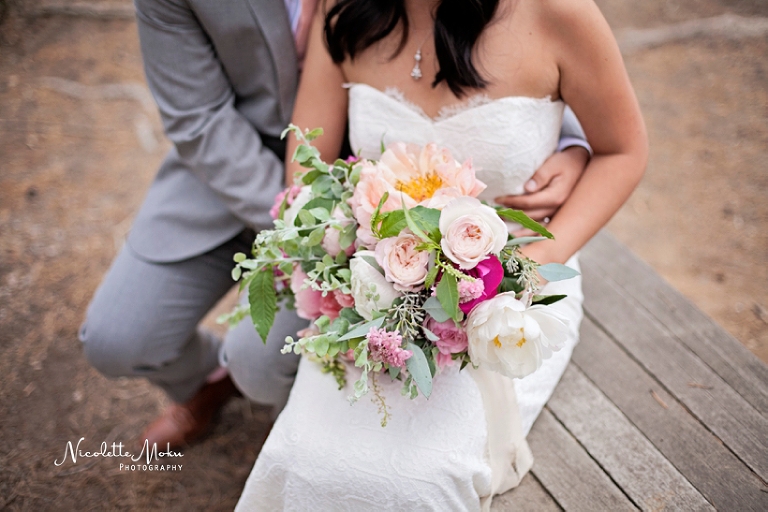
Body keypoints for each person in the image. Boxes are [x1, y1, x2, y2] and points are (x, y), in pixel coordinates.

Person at [77, 0, 590, 451]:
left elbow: (507, 64)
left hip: (413, 177)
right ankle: (209, 383)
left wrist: (571, 142)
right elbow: (198, 120)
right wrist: (316, 225)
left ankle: (295, 414)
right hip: (258, 183)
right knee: (117, 338)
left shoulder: (549, 16)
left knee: (262, 361)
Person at [236, 0, 647, 509]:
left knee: (421, 478)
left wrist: (524, 272)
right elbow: (307, 171)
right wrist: (349, 267)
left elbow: (623, 151)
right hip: (374, 287)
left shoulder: (559, 13)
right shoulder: (342, 10)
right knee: (309, 458)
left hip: (514, 286)